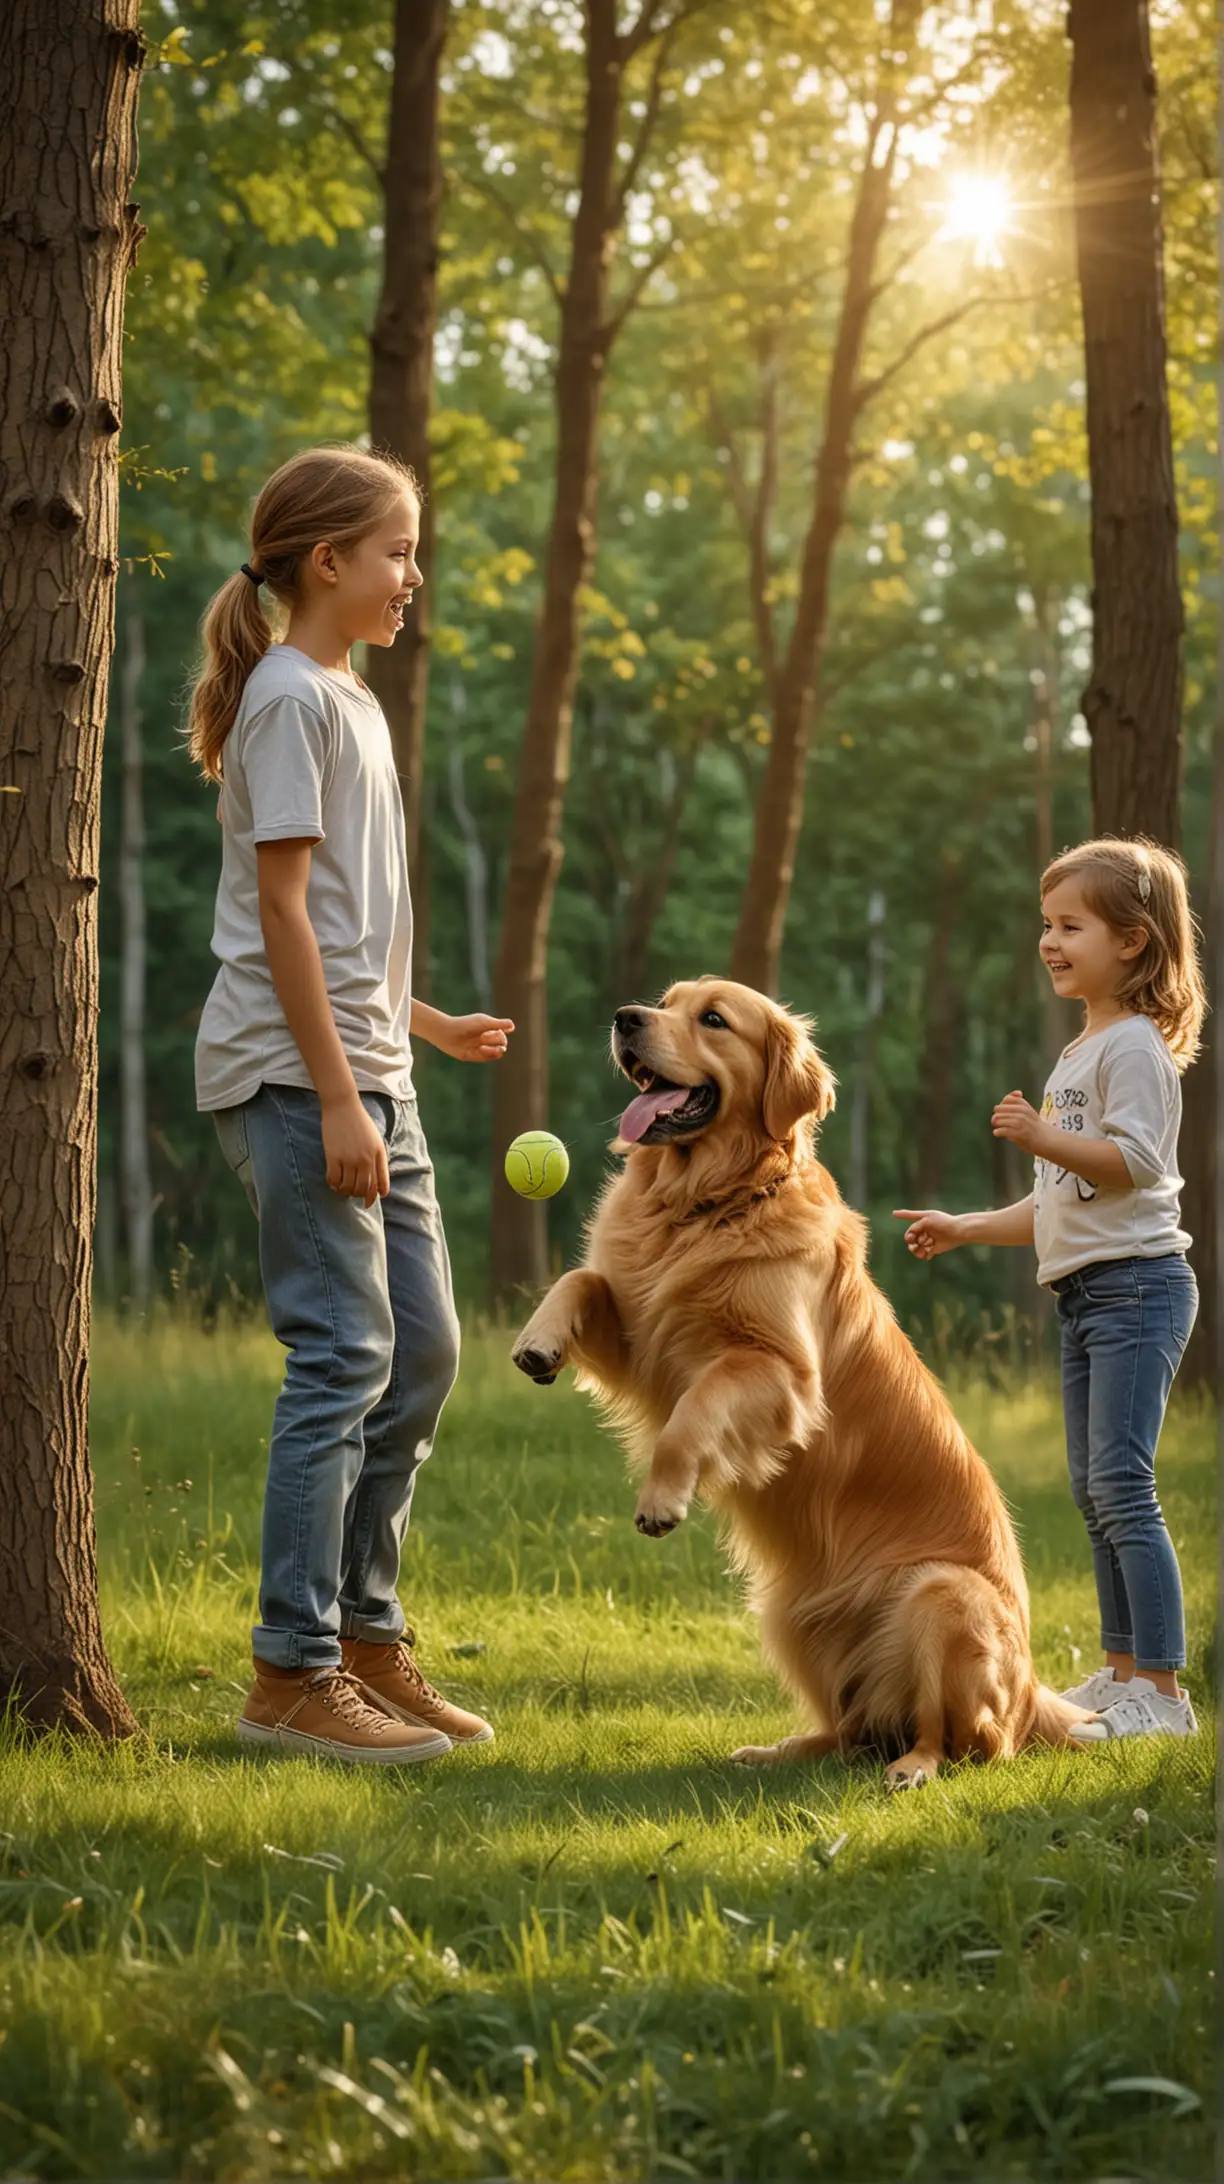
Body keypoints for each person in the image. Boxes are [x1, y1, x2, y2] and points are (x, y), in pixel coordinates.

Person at [187, 444, 514, 1766]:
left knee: (421, 1353)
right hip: (294, 1077)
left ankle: (369, 1642)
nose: (411, 576)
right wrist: (334, 1099)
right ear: (327, 562)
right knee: (342, 1359)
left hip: (377, 1075)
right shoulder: (285, 700)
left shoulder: (351, 702)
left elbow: (340, 919)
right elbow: (275, 916)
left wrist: (423, 1024)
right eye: (395, 553)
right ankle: (291, 1671)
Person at [895, 836, 1206, 1744]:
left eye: (1072, 925)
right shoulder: (1085, 1048)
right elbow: (1056, 1204)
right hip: (1088, 1294)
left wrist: (1037, 1134)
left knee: (1125, 1484)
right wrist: (965, 1226)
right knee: (1093, 1488)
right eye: (1047, 924)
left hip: (1140, 1290)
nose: (1050, 941)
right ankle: (1119, 1675)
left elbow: (1135, 1167)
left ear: (1135, 943)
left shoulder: (1135, 1048)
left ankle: (1166, 1693)